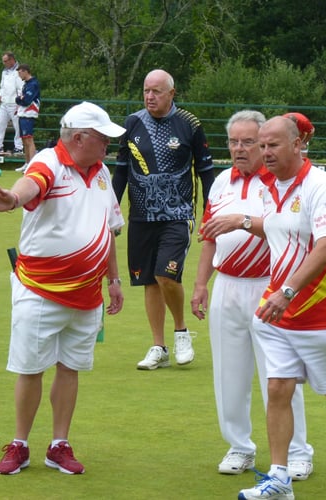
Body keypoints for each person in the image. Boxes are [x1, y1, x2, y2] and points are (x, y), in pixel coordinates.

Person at [0, 101, 126, 476]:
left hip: (88, 296)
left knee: (70, 367)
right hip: (40, 290)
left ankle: (59, 444)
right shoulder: (49, 161)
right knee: (30, 368)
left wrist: (114, 279)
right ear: (79, 138)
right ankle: (20, 443)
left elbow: (108, 231)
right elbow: (29, 185)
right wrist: (11, 198)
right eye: (103, 138)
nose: (109, 145)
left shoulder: (102, 173)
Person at [226, 116, 326, 498]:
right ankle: (279, 478)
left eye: (272, 145)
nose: (264, 152)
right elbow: (278, 228)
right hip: (277, 314)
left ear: (297, 145)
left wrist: (286, 291)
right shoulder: (267, 187)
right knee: (277, 388)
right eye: (261, 145)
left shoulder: (322, 185)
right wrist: (241, 221)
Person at [191, 110, 314, 481]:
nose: (240, 149)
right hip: (225, 286)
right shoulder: (219, 184)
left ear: (263, 144)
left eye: (249, 142)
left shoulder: (278, 182)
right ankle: (239, 446)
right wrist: (200, 285)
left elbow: (287, 231)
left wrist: (242, 221)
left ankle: (297, 452)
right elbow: (209, 238)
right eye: (234, 142)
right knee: (229, 372)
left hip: (269, 286)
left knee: (279, 373)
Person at [112, 68, 215, 370]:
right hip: (141, 215)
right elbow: (121, 170)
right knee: (149, 280)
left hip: (178, 214)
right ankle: (159, 347)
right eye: (146, 90)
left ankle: (181, 331)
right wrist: (111, 210)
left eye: (156, 91)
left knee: (165, 274)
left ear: (172, 93)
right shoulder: (131, 124)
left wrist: (211, 212)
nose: (149, 96)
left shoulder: (190, 125)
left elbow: (206, 172)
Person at [0, 51, 23, 154]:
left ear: (12, 60)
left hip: (15, 103)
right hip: (4, 103)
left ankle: (19, 147)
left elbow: (21, 88)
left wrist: (20, 102)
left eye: (5, 61)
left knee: (17, 126)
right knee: (0, 124)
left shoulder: (19, 71)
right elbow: (2, 87)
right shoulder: (4, 72)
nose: (4, 63)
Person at [14, 64, 40, 172]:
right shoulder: (26, 84)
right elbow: (19, 99)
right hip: (22, 113)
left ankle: (32, 166)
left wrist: (20, 99)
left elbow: (26, 100)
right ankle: (27, 163)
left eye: (20, 72)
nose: (19, 75)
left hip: (29, 114)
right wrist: (19, 99)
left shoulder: (33, 84)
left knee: (29, 139)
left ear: (25, 71)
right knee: (24, 140)